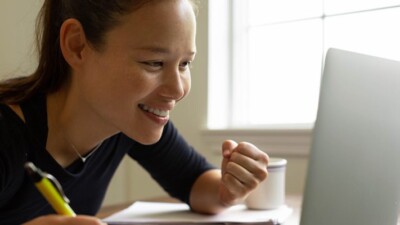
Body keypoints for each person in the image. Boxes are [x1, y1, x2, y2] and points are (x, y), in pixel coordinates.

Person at [0, 0, 269, 224]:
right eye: (154, 62)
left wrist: (229, 189)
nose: (177, 90)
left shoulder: (124, 121)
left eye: (185, 63)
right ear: (77, 45)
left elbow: (195, 181)